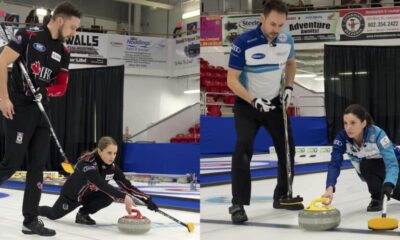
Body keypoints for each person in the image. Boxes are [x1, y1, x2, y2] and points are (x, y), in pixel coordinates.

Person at [0, 1, 81, 236]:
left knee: (38, 167)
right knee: (11, 164)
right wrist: (4, 99)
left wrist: (46, 91)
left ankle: (31, 219)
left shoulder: (64, 51)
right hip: (18, 109)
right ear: (59, 20)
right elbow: (2, 62)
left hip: (42, 112)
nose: (73, 33)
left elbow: (61, 86)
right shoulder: (27, 36)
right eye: (73, 27)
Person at [226, 0, 302, 224]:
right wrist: (253, 100)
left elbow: (291, 63)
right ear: (262, 19)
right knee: (243, 147)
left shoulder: (287, 40)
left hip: (275, 104)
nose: (276, 30)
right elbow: (231, 80)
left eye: (280, 25)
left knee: (287, 149)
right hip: (247, 105)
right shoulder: (243, 42)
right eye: (272, 24)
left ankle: (282, 195)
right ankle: (238, 203)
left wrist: (288, 87)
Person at [38, 136, 159, 225]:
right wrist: (125, 197)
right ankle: (33, 209)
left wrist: (147, 199)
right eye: (109, 153)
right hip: (71, 197)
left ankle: (83, 214)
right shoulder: (87, 163)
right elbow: (100, 184)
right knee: (53, 215)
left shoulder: (113, 168)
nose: (112, 157)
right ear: (100, 151)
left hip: (90, 194)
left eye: (115, 153)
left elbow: (127, 187)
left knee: (108, 197)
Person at [322, 104, 400, 211]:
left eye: (353, 123)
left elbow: (392, 163)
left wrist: (389, 183)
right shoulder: (342, 138)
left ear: (363, 123)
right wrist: (329, 187)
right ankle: (377, 198)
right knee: (366, 164)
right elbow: (334, 164)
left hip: (396, 168)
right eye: (345, 123)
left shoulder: (377, 134)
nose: (348, 128)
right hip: (377, 169)